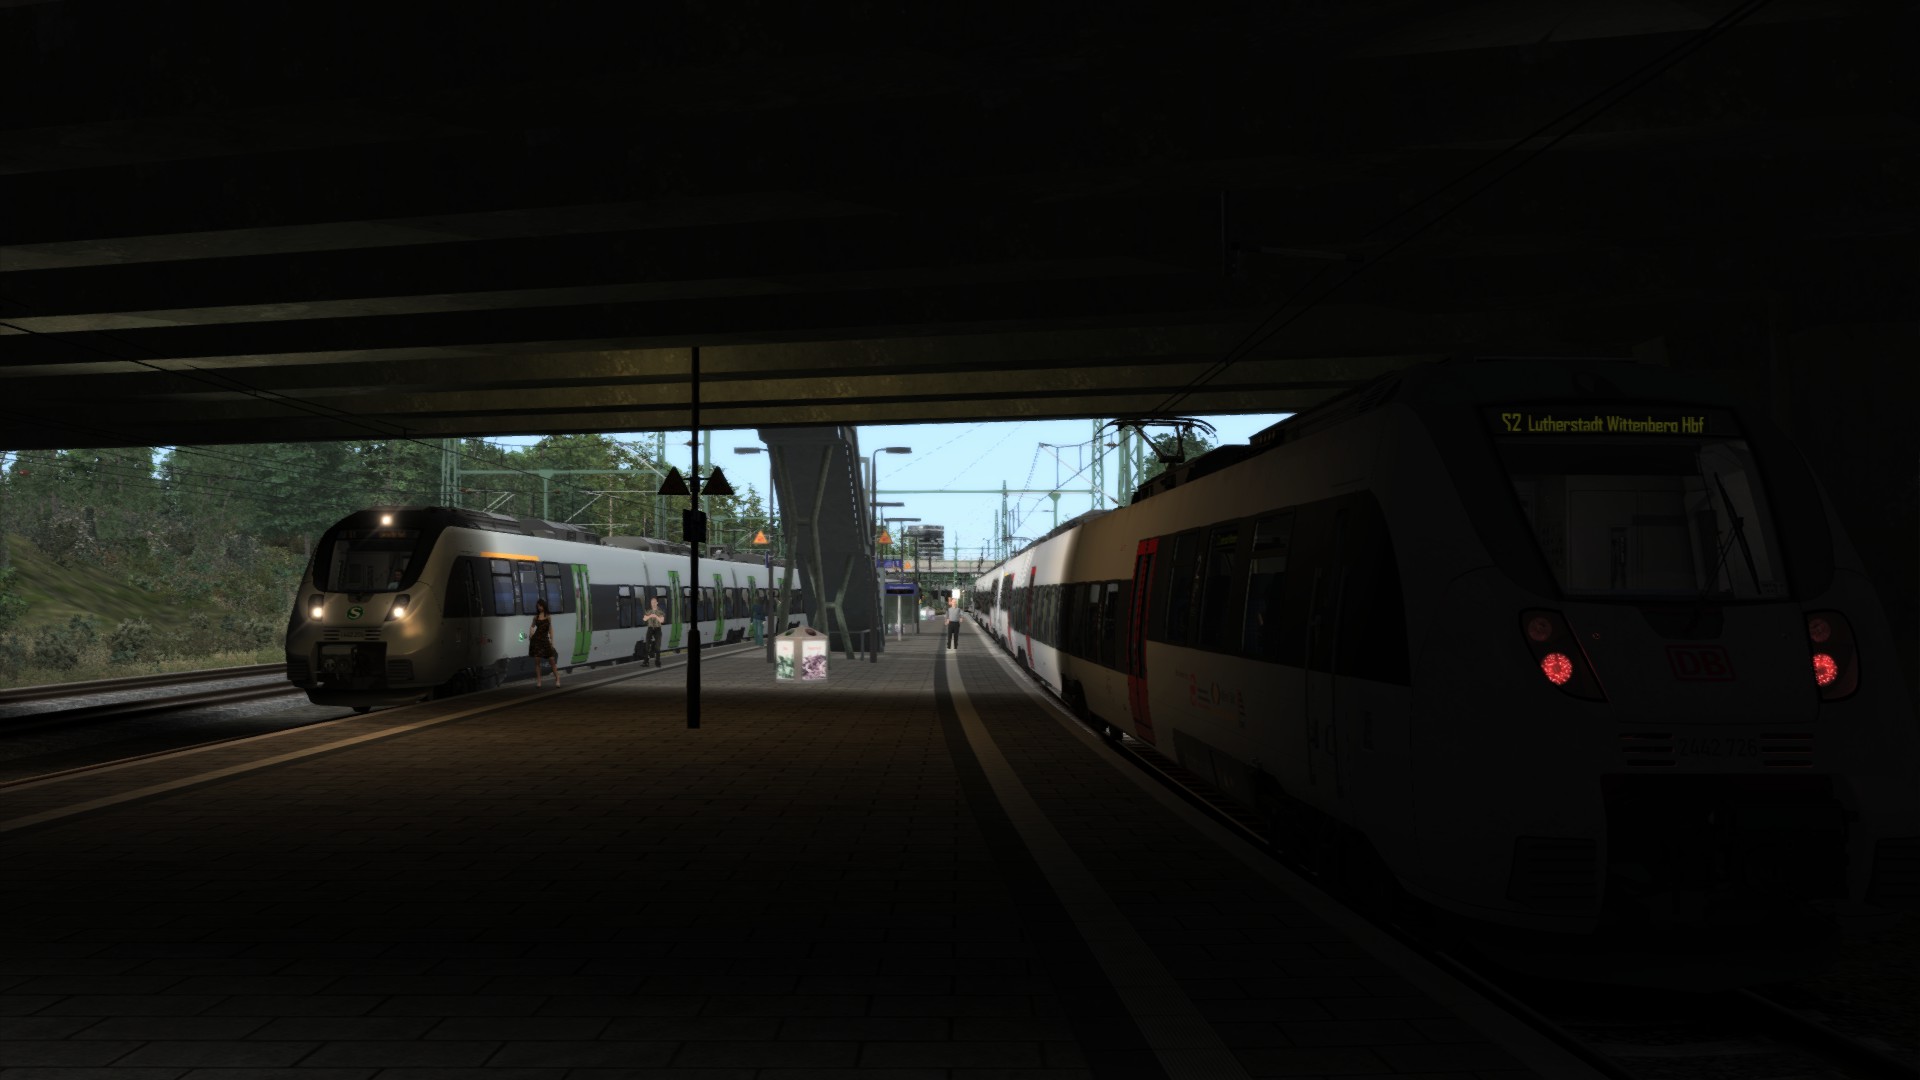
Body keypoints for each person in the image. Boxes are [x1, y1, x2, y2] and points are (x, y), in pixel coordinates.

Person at [529, 598, 561, 688]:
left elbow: (550, 629)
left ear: (544, 606)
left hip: (545, 640)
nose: (539, 607)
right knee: (537, 661)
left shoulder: (548, 617)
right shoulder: (535, 617)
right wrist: (531, 633)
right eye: (538, 606)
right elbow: (532, 626)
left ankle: (557, 678)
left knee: (552, 660)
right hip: (537, 640)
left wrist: (552, 641)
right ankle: (539, 681)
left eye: (540, 606)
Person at [643, 596, 666, 668]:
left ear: (657, 603)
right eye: (652, 602)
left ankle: (657, 662)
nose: (653, 604)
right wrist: (650, 616)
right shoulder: (648, 611)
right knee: (647, 645)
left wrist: (656, 616)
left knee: (657, 646)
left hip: (657, 629)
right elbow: (644, 619)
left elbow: (662, 620)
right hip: (650, 628)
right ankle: (646, 662)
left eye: (654, 602)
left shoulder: (660, 611)